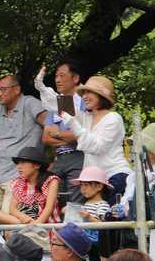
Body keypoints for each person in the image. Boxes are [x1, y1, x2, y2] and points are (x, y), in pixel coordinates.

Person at [48, 74, 131, 202]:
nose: (84, 96)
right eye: (84, 93)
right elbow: (66, 107)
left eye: (89, 92)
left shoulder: (113, 118)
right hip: (95, 181)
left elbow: (97, 147)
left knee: (112, 220)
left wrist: (72, 124)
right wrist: (60, 86)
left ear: (102, 96)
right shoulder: (88, 116)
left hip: (115, 177)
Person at [0, 74, 47, 213]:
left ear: (17, 89)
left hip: (17, 175)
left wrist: (52, 158)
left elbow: (50, 126)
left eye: (3, 89)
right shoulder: (0, 109)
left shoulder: (30, 103)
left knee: (10, 223)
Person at [37, 61, 88, 203]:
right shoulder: (58, 102)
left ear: (75, 78)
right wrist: (71, 137)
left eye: (62, 75)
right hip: (59, 158)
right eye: (56, 76)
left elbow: (84, 135)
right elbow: (46, 138)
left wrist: (58, 134)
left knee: (76, 202)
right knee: (55, 202)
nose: (57, 80)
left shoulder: (85, 101)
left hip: (80, 156)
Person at [0, 147, 60, 232]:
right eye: (18, 163)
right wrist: (24, 218)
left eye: (23, 163)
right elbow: (12, 210)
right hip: (24, 223)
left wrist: (36, 225)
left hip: (44, 226)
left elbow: (49, 208)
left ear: (37, 165)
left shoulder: (51, 180)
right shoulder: (18, 182)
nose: (19, 167)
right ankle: (22, 230)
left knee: (12, 230)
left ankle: (25, 230)